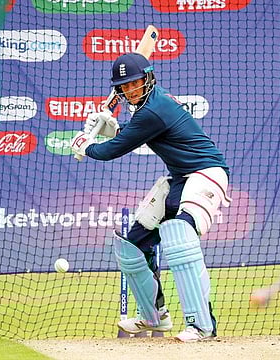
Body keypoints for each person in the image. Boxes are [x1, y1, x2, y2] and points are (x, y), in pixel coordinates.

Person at [71, 53, 231, 342]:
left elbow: (111, 151)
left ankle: (202, 326)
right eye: (125, 86)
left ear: (148, 78)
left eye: (136, 83)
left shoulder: (153, 110)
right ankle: (154, 317)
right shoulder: (146, 108)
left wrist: (86, 145)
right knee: (133, 244)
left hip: (206, 173)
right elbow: (134, 134)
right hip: (180, 178)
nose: (131, 90)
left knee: (180, 233)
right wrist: (114, 128)